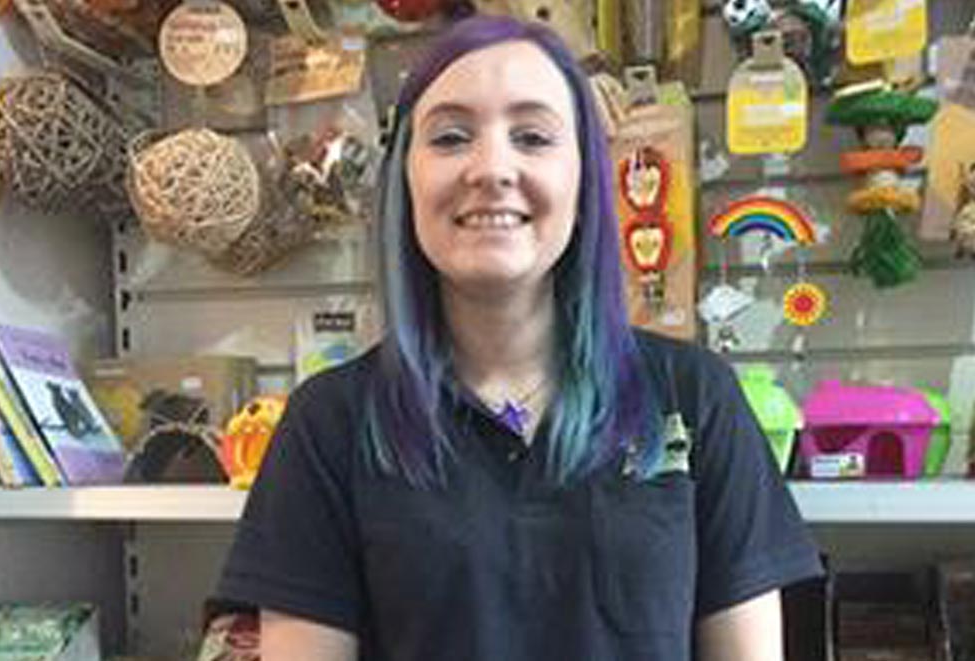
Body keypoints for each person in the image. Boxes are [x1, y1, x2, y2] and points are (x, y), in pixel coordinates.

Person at [217, 14, 822, 660]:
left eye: (532, 136)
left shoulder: (695, 397)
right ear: (406, 180)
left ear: (584, 179)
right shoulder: (330, 422)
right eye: (451, 137)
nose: (492, 167)